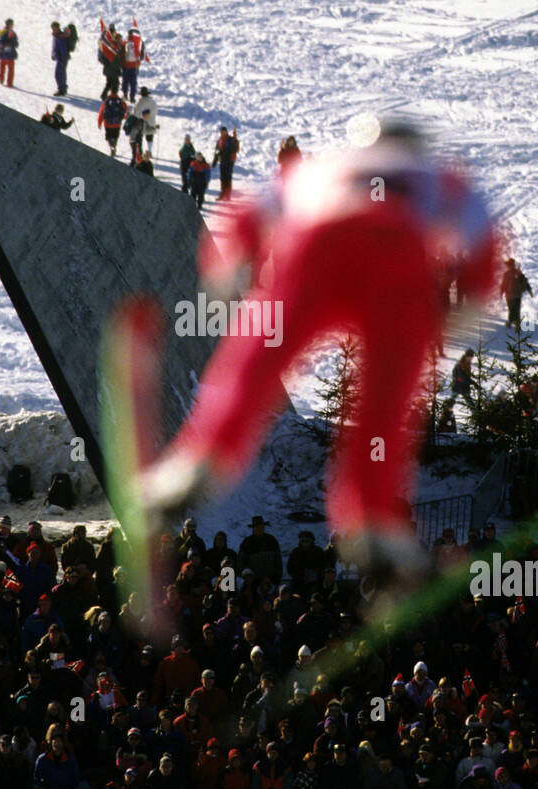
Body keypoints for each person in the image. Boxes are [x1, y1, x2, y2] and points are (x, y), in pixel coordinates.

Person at [133, 120, 498, 562]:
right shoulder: (440, 178)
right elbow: (482, 241)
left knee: (254, 363)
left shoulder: (330, 164)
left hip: (318, 249)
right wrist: (464, 304)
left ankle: (202, 456)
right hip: (397, 261)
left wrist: (226, 262)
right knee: (385, 400)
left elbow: (254, 212)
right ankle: (369, 515)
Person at [121, 20, 149, 103]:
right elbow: (142, 55)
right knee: (132, 82)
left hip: (127, 65)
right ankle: (131, 96)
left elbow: (122, 53)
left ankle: (126, 94)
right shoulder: (137, 43)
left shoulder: (126, 42)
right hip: (133, 66)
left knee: (126, 81)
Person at [500, 257, 532, 330]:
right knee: (516, 309)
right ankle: (516, 323)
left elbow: (503, 284)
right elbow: (524, 281)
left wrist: (502, 292)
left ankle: (511, 322)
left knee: (512, 309)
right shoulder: (518, 272)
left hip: (510, 295)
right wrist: (529, 289)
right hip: (517, 294)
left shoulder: (507, 273)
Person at [98, 19, 124, 98]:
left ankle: (104, 95)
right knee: (114, 83)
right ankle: (112, 96)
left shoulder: (113, 45)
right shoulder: (112, 47)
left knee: (110, 83)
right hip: (112, 68)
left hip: (110, 68)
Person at [212, 125, 239, 201]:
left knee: (228, 178)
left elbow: (233, 150)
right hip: (222, 162)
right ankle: (222, 194)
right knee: (222, 178)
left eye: (224, 131)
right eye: (221, 132)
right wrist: (214, 161)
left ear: (226, 132)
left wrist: (230, 161)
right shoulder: (219, 140)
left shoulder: (230, 140)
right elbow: (217, 151)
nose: (222, 133)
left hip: (229, 162)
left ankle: (227, 195)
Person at [98, 91, 127, 157]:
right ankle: (114, 146)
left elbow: (101, 112)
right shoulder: (120, 101)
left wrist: (99, 123)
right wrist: (123, 118)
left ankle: (111, 147)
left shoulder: (107, 101)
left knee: (109, 136)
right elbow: (125, 111)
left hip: (108, 123)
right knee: (115, 136)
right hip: (117, 123)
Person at [133, 87, 158, 151]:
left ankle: (138, 151)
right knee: (150, 136)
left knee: (139, 137)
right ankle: (149, 150)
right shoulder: (152, 101)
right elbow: (155, 111)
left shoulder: (139, 102)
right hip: (151, 122)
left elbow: (136, 113)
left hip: (141, 123)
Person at [51, 21, 71, 97]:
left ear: (57, 27)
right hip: (60, 58)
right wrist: (53, 54)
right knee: (62, 73)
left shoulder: (60, 36)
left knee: (58, 74)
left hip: (62, 58)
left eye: (53, 28)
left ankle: (61, 90)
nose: (52, 29)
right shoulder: (56, 35)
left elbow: (63, 49)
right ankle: (64, 88)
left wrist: (62, 59)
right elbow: (55, 47)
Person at [0, 19, 18, 87]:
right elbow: (15, 43)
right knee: (10, 69)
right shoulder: (11, 33)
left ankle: (1, 79)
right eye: (12, 24)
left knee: (2, 67)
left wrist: (0, 48)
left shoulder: (2, 32)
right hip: (10, 54)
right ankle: (9, 83)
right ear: (10, 24)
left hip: (2, 54)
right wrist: (14, 44)